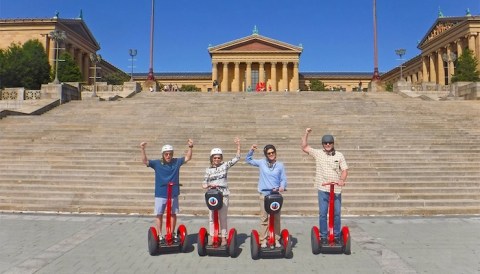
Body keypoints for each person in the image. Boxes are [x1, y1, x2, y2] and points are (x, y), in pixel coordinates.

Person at [301, 128, 348, 244]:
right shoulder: (318, 153)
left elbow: (345, 170)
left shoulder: (339, 155)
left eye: (330, 143)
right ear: (323, 144)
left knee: (336, 213)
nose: (328, 145)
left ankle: (336, 235)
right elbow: (304, 147)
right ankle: (323, 236)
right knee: (323, 213)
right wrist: (306, 134)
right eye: (325, 143)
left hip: (336, 189)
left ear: (333, 144)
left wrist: (342, 179)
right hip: (323, 189)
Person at [140, 139, 194, 241]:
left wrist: (190, 147)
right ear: (163, 155)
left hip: (173, 193)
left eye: (170, 154)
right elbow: (145, 161)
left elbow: (188, 158)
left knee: (173, 214)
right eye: (166, 154)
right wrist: (142, 149)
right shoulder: (157, 163)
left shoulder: (176, 162)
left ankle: (172, 233)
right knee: (159, 214)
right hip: (160, 193)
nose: (168, 156)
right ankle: (160, 234)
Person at [245, 144, 287, 248]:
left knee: (276, 218)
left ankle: (276, 239)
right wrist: (251, 150)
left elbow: (283, 179)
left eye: (273, 152)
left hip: (276, 195)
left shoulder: (280, 165)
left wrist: (282, 186)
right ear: (266, 154)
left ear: (275, 153)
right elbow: (248, 160)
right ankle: (263, 240)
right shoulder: (262, 162)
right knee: (264, 218)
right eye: (269, 153)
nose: (271, 154)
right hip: (264, 194)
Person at [202, 137, 241, 245]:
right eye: (215, 158)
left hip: (223, 194)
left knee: (222, 217)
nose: (217, 159)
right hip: (212, 196)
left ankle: (223, 237)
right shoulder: (208, 170)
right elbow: (204, 183)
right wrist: (208, 185)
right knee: (211, 217)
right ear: (212, 158)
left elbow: (237, 158)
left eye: (219, 158)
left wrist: (238, 145)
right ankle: (213, 236)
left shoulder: (225, 166)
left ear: (221, 158)